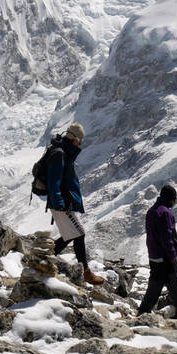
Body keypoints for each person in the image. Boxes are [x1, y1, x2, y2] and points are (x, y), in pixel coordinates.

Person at [45, 122, 106, 285]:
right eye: (79, 140)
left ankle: (43, 258)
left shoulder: (64, 152)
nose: (80, 143)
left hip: (62, 202)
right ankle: (86, 272)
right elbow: (54, 181)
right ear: (72, 138)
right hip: (61, 203)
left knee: (69, 235)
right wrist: (59, 202)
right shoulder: (60, 153)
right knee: (79, 233)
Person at [137, 184, 177, 319]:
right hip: (166, 258)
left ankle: (143, 312)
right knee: (176, 287)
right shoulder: (165, 213)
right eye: (173, 199)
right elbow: (167, 237)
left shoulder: (151, 211)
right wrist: (172, 256)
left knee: (154, 286)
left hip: (154, 256)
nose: (174, 202)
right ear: (170, 199)